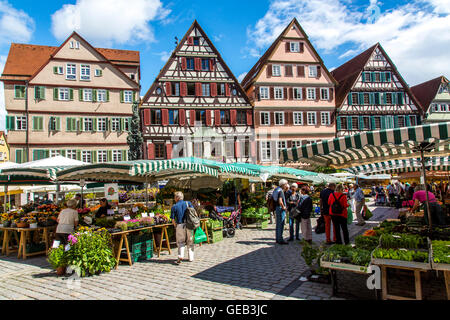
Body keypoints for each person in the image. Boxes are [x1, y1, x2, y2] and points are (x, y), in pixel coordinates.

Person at [171, 191, 195, 265]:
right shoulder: (188, 203)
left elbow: (172, 219)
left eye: (175, 197)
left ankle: (181, 255)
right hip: (189, 225)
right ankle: (191, 257)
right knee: (190, 241)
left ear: (177, 198)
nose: (174, 199)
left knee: (181, 242)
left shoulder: (174, 206)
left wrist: (175, 226)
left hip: (180, 225)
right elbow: (194, 213)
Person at [273, 179, 289, 245]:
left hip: (276, 208)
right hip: (280, 208)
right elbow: (280, 201)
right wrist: (284, 207)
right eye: (286, 184)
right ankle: (280, 239)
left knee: (278, 224)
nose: (286, 186)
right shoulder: (281, 191)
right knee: (281, 224)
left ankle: (277, 238)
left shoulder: (276, 189)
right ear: (283, 184)